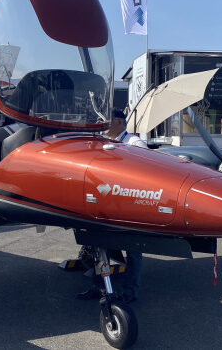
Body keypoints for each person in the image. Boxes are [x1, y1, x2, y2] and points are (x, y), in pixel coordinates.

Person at [77, 109, 145, 303]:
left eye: (106, 121)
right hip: (107, 205)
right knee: (101, 247)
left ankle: (130, 293)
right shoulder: (102, 143)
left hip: (129, 207)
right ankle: (98, 287)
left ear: (118, 122)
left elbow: (138, 175)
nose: (102, 125)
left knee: (133, 252)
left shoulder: (134, 143)